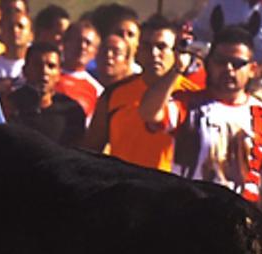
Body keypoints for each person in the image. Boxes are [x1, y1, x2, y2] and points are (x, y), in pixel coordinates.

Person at [140, 20, 262, 232]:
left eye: (238, 63)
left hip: (239, 228)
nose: (229, 69)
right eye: (221, 61)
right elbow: (149, 113)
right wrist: (177, 69)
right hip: (186, 220)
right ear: (209, 63)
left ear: (252, 69)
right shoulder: (186, 105)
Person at [84, 15, 201, 170]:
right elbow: (91, 152)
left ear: (176, 51)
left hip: (171, 190)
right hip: (125, 188)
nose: (153, 53)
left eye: (161, 47)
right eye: (146, 46)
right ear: (138, 50)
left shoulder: (193, 97)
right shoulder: (115, 94)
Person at [4, 41, 86, 146]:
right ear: (25, 70)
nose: (44, 71)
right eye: (37, 65)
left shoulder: (72, 112)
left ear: (59, 74)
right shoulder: (9, 105)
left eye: (51, 66)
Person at [57, 20, 103, 118]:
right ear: (64, 43)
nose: (82, 46)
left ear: (95, 52)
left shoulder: (97, 90)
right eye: (78, 40)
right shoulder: (44, 75)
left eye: (88, 43)